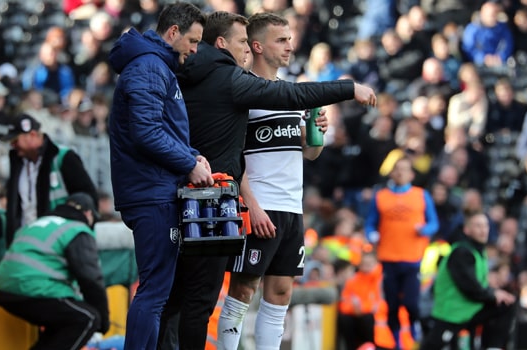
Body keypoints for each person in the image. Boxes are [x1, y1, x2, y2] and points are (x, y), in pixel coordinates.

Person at [159, 11, 377, 350]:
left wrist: (313, 135)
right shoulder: (243, 92)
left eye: (290, 39)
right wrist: (252, 205)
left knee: (281, 292)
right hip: (258, 206)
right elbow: (234, 158)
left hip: (292, 206)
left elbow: (307, 153)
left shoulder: (288, 94)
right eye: (281, 40)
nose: (290, 47)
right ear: (258, 46)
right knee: (243, 289)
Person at [107, 3, 213, 349]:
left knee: (157, 292)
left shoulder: (154, 66)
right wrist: (188, 163)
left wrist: (190, 153)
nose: (195, 49)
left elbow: (158, 128)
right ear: (173, 33)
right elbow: (147, 131)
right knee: (153, 293)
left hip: (153, 187)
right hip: (151, 192)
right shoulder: (150, 67)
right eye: (193, 41)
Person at [0, 192, 109, 350]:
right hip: (34, 288)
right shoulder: (76, 229)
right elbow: (90, 277)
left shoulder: (39, 223)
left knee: (60, 328)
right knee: (87, 318)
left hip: (4, 288)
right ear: (88, 214)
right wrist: (103, 320)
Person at [364, 156, 439, 348]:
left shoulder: (421, 195)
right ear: (392, 172)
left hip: (412, 257)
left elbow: (434, 223)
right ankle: (396, 340)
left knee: (411, 302)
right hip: (388, 257)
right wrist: (371, 234)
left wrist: (424, 229)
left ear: (411, 174)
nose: (400, 173)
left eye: (404, 169)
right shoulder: (381, 196)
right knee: (392, 305)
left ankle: (414, 325)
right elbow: (370, 222)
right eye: (397, 169)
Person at [419, 212, 516, 350]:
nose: (483, 230)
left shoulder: (479, 252)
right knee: (433, 345)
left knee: (506, 304)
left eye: (485, 226)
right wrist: (493, 294)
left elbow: (479, 285)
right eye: (478, 226)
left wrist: (494, 292)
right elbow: (470, 287)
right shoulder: (461, 252)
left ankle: (493, 347)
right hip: (450, 314)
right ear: (467, 230)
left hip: (467, 311)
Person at [1, 113, 98, 247]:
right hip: (24, 239)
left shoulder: (64, 157)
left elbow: (87, 196)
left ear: (33, 135)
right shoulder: (18, 164)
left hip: (57, 240)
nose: (13, 146)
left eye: (16, 140)